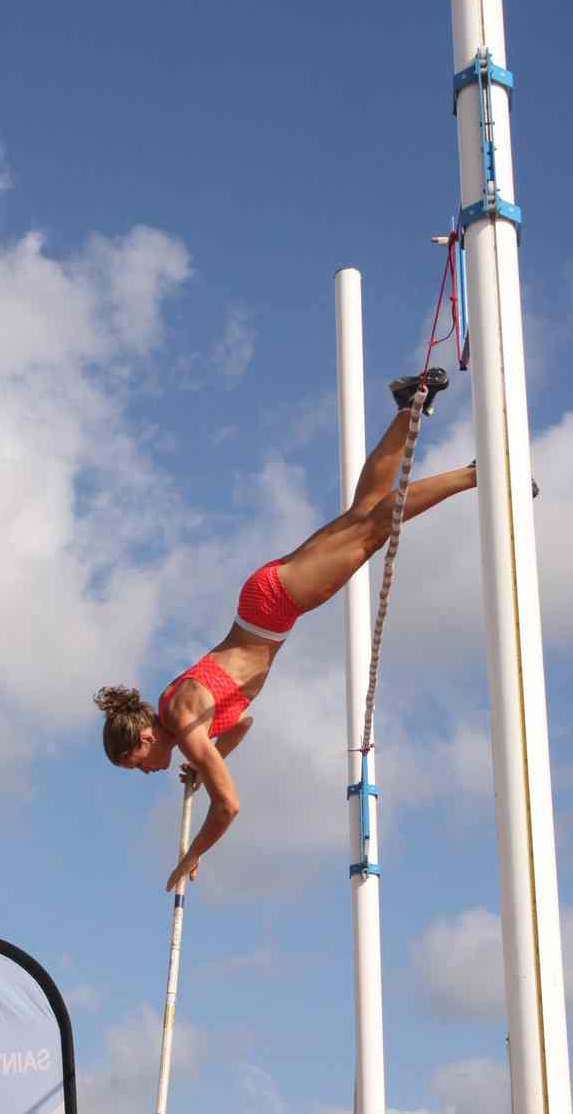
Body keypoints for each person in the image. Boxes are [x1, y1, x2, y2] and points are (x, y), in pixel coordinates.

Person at [94, 371, 475, 891]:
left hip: (274, 609)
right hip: (267, 606)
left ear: (143, 738)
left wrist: (189, 855)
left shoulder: (183, 723)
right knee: (363, 514)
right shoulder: (187, 726)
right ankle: (410, 408)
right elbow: (244, 724)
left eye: (137, 764)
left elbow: (229, 807)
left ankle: (476, 474)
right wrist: (208, 761)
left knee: (371, 529)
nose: (146, 773)